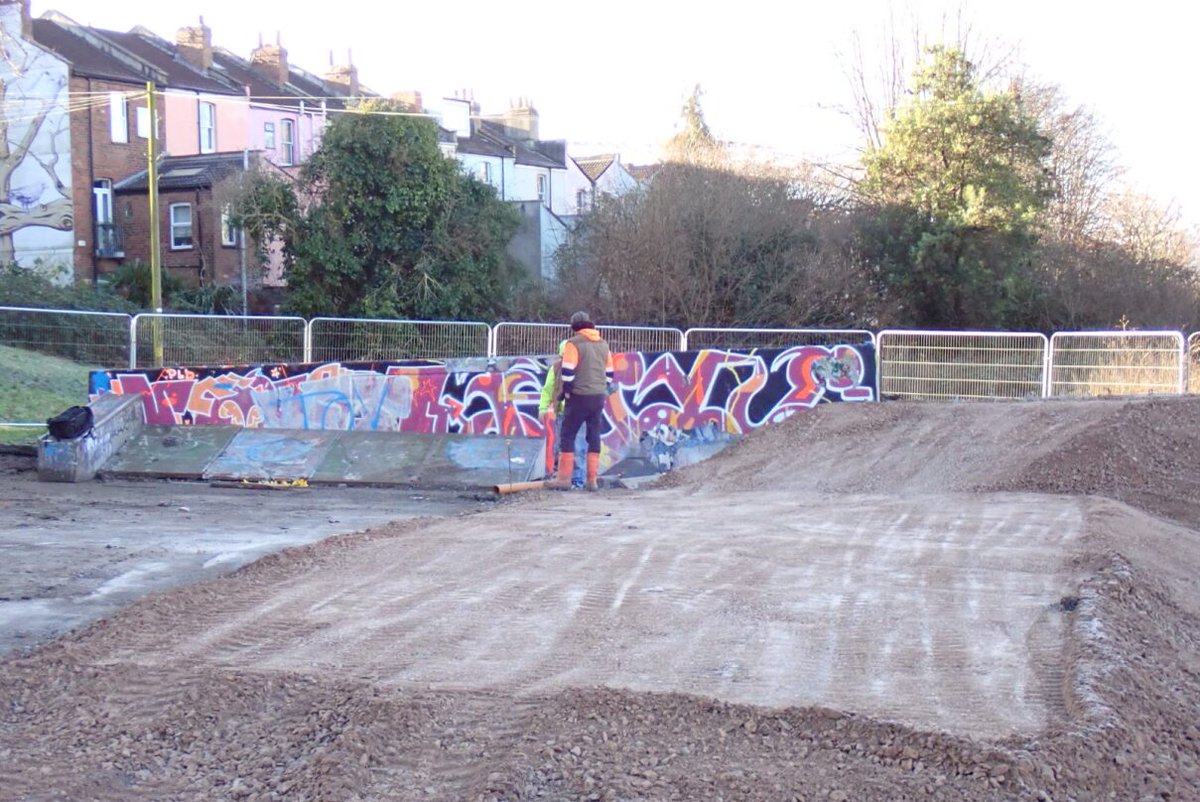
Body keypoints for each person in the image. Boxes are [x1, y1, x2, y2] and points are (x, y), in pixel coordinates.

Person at [547, 311, 614, 492]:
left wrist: (567, 393)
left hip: (578, 397)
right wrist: (600, 388)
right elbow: (610, 374)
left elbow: (567, 373)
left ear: (574, 326)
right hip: (599, 396)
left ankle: (563, 479)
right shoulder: (603, 344)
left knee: (568, 435)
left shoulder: (573, 344)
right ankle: (592, 481)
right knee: (593, 435)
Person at [538, 339, 585, 488]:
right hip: (563, 413)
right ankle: (561, 478)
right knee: (561, 447)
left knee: (578, 447)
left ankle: (577, 480)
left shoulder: (582, 369)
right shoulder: (556, 368)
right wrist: (542, 408)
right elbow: (548, 389)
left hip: (578, 413)